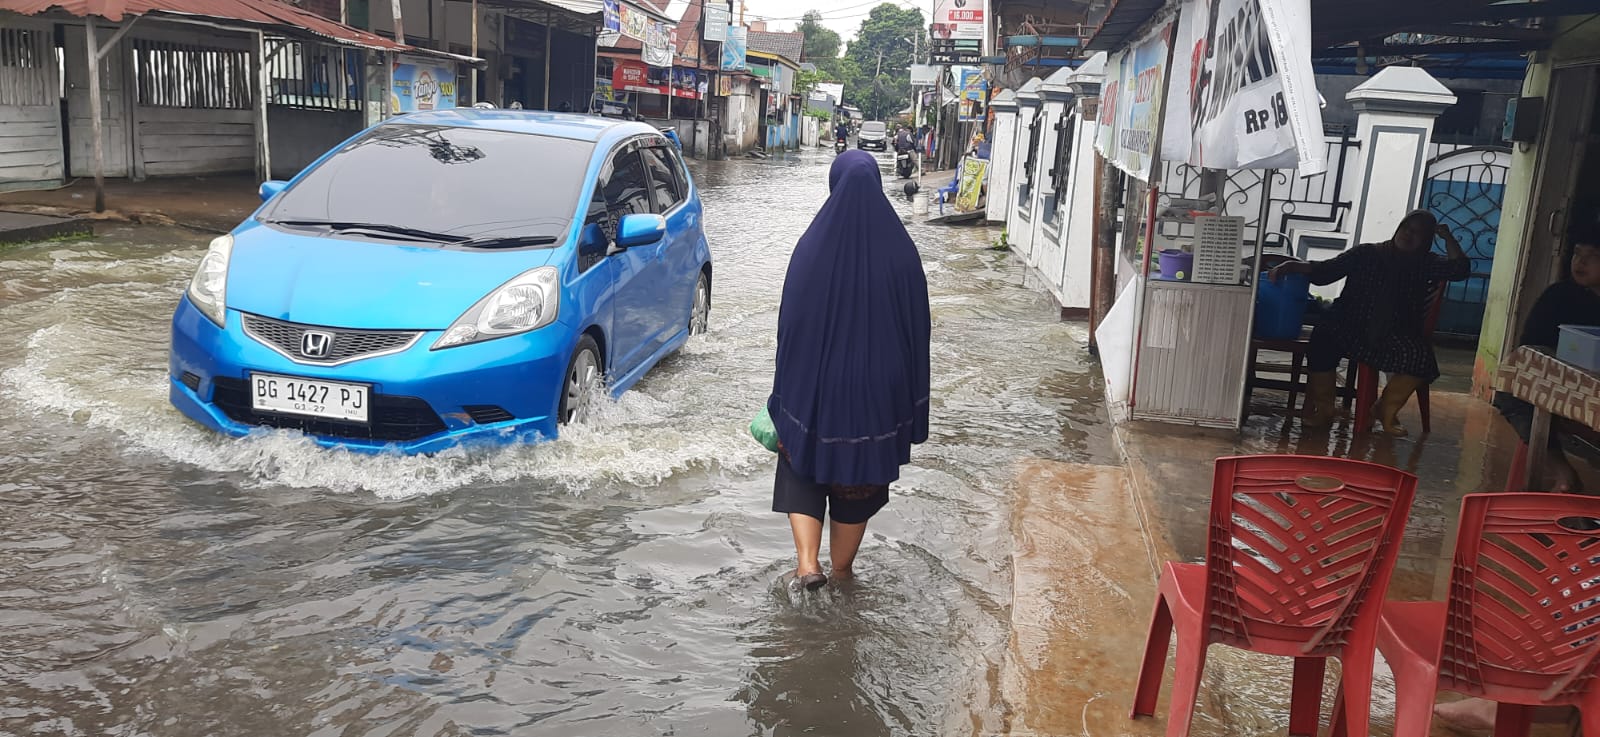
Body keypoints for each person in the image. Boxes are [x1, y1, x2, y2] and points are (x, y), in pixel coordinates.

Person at [768, 150, 932, 591]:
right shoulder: (902, 253)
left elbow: (790, 328)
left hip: (815, 388)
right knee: (856, 478)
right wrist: (915, 408)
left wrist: (782, 396)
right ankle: (841, 571)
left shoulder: (811, 247)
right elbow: (919, 333)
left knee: (802, 465)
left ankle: (807, 564)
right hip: (879, 394)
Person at [1269, 210, 1470, 435]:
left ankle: (1384, 410)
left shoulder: (1426, 263)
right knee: (1322, 338)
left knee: (1420, 357)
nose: (1408, 235)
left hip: (1394, 333)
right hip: (1348, 324)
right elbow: (1326, 270)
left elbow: (1460, 269)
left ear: (1426, 241)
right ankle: (1325, 409)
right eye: (1406, 228)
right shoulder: (1366, 253)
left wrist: (1448, 237)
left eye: (1418, 233)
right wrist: (1291, 266)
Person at [1492, 236, 1600, 493]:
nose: (1580, 262)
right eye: (1576, 253)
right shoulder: (1559, 295)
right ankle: (1562, 472)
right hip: (1565, 388)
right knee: (1512, 392)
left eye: (1592, 255)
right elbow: (1531, 349)